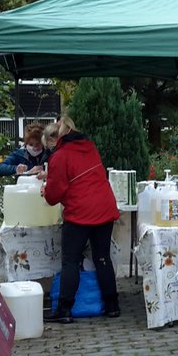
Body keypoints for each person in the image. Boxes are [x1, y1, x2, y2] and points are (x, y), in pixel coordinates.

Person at [39, 118, 121, 324]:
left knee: (70, 260)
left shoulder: (59, 156)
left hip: (80, 212)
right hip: (104, 205)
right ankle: (112, 305)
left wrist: (45, 189)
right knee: (102, 257)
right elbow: (81, 175)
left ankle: (64, 309)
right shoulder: (89, 147)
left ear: (52, 140)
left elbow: (54, 195)